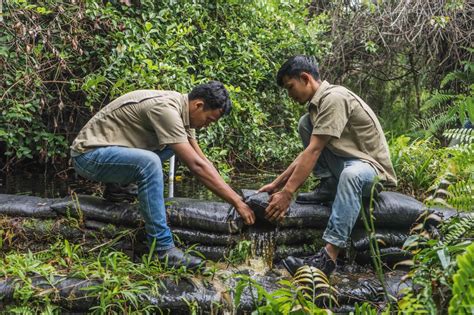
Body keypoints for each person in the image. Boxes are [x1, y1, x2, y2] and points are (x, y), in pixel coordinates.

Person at [70, 81, 255, 270]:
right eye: (209, 120)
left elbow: (202, 160)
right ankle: (162, 248)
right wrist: (237, 203)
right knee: (150, 162)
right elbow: (196, 166)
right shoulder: (166, 110)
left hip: (112, 155)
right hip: (88, 157)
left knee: (173, 147)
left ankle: (119, 188)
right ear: (198, 105)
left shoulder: (184, 116)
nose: (207, 126)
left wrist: (236, 197)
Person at [259, 56, 397, 276]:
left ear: (305, 78)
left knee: (351, 175)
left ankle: (328, 256)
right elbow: (308, 152)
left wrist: (287, 194)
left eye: (290, 87)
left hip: (370, 170)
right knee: (306, 124)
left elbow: (314, 151)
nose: (290, 95)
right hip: (346, 163)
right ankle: (329, 184)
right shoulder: (317, 107)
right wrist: (277, 184)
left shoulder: (334, 98)